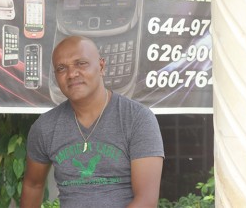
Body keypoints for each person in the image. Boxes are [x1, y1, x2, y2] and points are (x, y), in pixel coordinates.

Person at [20, 36, 164, 208]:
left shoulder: (137, 119)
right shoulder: (45, 127)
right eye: (61, 68)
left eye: (81, 63)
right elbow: (33, 185)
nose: (72, 74)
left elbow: (146, 202)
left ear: (101, 66)